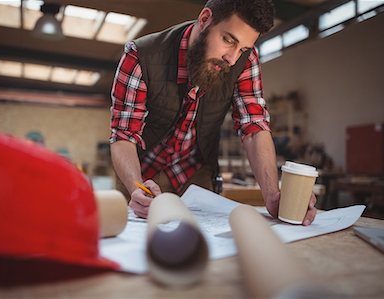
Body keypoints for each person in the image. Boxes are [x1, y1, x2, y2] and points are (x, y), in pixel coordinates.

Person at [109, 0, 317, 225]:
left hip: (196, 176)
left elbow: (254, 127)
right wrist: (135, 186)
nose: (232, 58)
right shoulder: (140, 56)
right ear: (205, 19)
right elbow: (123, 137)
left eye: (243, 49)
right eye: (228, 40)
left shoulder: (244, 62)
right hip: (141, 175)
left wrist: (272, 195)